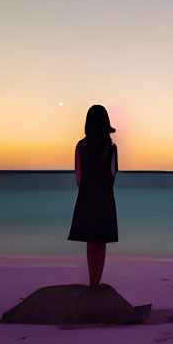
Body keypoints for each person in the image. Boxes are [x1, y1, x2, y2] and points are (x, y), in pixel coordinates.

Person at [67, 104, 119, 290]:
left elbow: (79, 177)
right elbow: (113, 174)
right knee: (101, 242)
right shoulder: (111, 147)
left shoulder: (80, 146)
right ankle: (97, 282)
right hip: (104, 197)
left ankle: (92, 283)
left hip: (87, 197)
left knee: (91, 242)